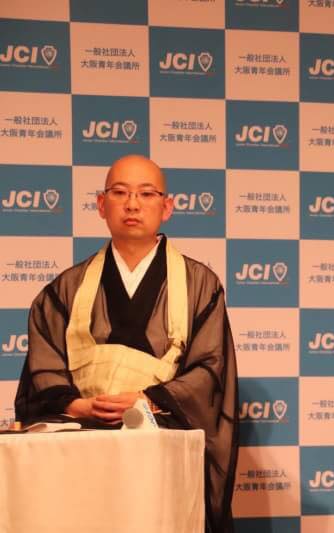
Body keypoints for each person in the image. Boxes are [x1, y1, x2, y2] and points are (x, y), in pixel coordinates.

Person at [15, 155, 239, 533]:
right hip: (84, 447)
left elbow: (210, 369)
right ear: (102, 205)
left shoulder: (201, 284)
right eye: (120, 193)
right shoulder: (65, 289)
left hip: (160, 450)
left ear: (167, 207)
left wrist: (146, 401)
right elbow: (44, 369)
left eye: (146, 194)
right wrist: (79, 406)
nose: (132, 204)